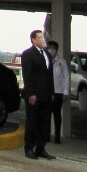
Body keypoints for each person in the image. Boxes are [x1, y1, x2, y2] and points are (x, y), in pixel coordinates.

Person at [19, 29, 55, 160]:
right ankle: (29, 147)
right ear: (33, 40)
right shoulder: (28, 54)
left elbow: (49, 76)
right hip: (34, 95)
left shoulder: (47, 55)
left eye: (43, 37)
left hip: (46, 95)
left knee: (44, 123)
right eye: (39, 37)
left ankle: (41, 148)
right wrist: (31, 93)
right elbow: (27, 75)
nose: (43, 39)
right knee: (32, 121)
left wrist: (51, 92)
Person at [47, 40, 69, 144]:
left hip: (58, 92)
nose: (51, 50)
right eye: (49, 48)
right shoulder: (45, 60)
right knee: (46, 114)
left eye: (53, 48)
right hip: (47, 92)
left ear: (56, 49)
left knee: (57, 114)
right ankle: (46, 135)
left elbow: (66, 77)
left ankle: (57, 136)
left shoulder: (62, 62)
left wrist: (65, 92)